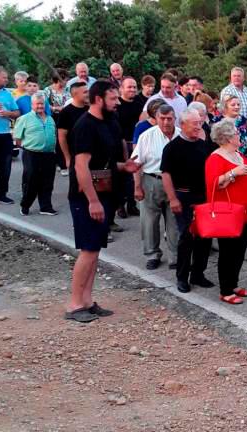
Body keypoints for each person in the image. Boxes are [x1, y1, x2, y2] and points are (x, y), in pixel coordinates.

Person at [65, 80, 141, 323]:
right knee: (88, 250)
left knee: (95, 250)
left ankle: (87, 301)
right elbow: (81, 166)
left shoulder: (110, 122)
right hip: (87, 196)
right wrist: (92, 201)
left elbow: (105, 162)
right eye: (113, 98)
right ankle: (75, 305)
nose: (117, 102)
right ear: (99, 99)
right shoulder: (85, 125)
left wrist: (125, 166)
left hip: (105, 191)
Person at [205, 118, 247, 304]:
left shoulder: (239, 154)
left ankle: (234, 283)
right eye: (237, 134)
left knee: (240, 250)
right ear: (228, 137)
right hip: (229, 213)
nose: (240, 136)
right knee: (228, 251)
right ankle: (226, 289)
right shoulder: (215, 158)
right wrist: (232, 173)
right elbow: (213, 184)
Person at [160, 108, 214, 293]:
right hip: (183, 196)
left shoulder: (204, 144)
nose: (199, 126)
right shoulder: (172, 148)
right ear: (182, 125)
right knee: (187, 237)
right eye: (195, 123)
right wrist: (172, 198)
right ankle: (182, 277)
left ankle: (198, 273)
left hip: (204, 197)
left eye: (200, 123)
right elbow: (166, 175)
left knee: (205, 237)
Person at [132, 104, 180, 270]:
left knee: (175, 221)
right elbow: (136, 163)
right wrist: (137, 187)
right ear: (156, 119)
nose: (166, 122)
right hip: (151, 180)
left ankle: (175, 256)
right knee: (149, 221)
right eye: (162, 118)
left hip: (176, 183)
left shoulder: (181, 135)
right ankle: (152, 254)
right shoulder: (147, 136)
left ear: (175, 118)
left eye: (169, 118)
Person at [14, 94, 58, 216]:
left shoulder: (50, 119)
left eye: (42, 103)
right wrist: (27, 148)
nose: (40, 106)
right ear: (32, 105)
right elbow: (17, 138)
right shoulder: (24, 118)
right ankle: (25, 205)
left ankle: (45, 207)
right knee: (31, 181)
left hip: (49, 154)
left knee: (48, 181)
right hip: (32, 154)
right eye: (37, 103)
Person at [116, 76, 145, 218]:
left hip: (137, 143)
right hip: (122, 143)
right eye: (129, 87)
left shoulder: (139, 102)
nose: (132, 89)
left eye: (134, 87)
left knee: (135, 176)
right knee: (122, 178)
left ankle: (132, 205)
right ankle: (120, 206)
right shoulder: (117, 104)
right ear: (121, 88)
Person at [0, 66, 20, 204]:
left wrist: (8, 114)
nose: (6, 80)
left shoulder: (7, 94)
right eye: (4, 77)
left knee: (5, 166)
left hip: (4, 135)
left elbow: (17, 112)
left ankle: (1, 194)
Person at [57, 82, 89, 178]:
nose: (88, 94)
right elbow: (62, 137)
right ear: (75, 94)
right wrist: (67, 158)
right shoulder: (65, 112)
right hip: (74, 155)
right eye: (85, 92)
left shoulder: (90, 109)